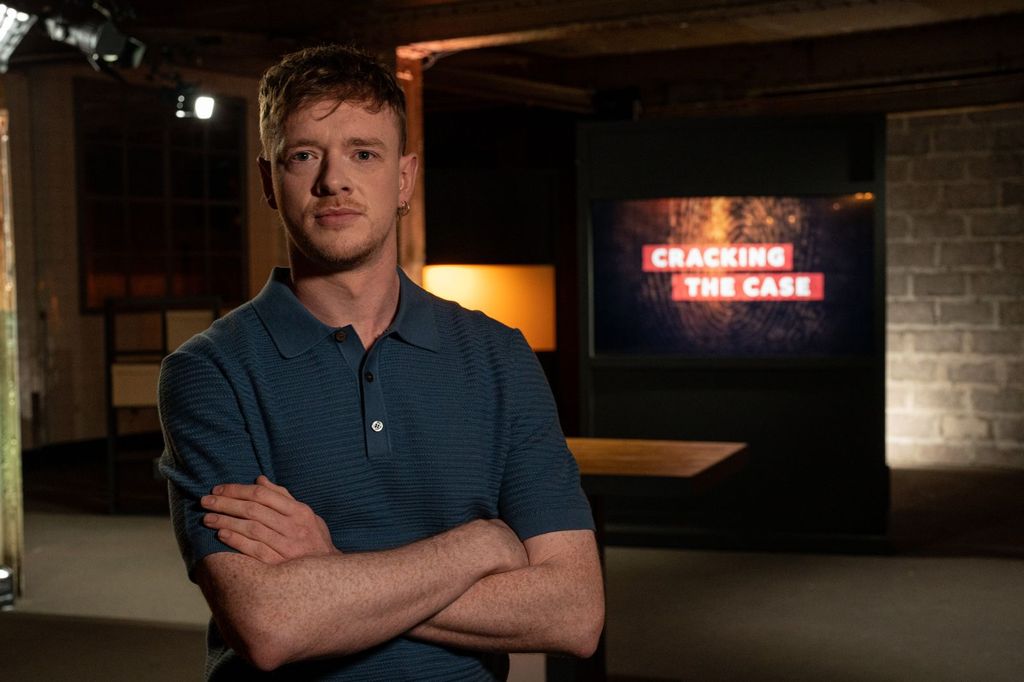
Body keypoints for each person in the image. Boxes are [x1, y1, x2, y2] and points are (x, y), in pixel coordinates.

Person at [158, 44, 604, 680]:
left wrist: (331, 568)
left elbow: (574, 612)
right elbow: (271, 624)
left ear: (404, 178)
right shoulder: (208, 373)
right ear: (267, 182)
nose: (333, 180)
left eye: (363, 153)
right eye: (304, 155)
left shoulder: (498, 356)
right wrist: (480, 544)